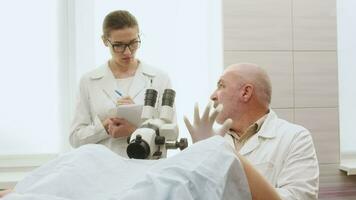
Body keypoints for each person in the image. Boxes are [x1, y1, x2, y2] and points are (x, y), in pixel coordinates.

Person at [184, 63, 319, 200]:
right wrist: (198, 153)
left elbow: (299, 197)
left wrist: (220, 150)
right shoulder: (212, 139)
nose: (213, 96)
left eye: (221, 86)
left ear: (246, 92)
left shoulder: (295, 138)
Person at [69, 10, 173, 157]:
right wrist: (104, 126)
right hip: (103, 168)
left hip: (146, 167)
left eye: (133, 43)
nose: (127, 52)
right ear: (105, 41)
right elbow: (75, 138)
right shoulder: (89, 81)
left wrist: (134, 131)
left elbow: (170, 134)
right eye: (118, 45)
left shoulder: (160, 78)